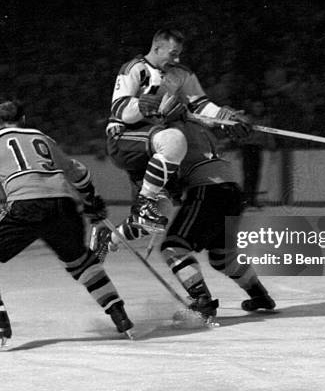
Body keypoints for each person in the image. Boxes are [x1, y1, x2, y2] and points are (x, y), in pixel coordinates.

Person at [0, 99, 134, 349]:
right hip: (63, 204)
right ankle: (120, 317)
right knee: (81, 262)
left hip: (25, 205)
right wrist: (91, 200)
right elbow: (79, 172)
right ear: (23, 119)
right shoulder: (42, 138)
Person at [94, 119, 275, 320]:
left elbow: (172, 166)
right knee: (223, 256)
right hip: (232, 191)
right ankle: (259, 295)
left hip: (208, 190)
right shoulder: (199, 125)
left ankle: (202, 302)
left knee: (174, 247)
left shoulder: (171, 131)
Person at [106, 28, 250, 231]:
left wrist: (224, 118)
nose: (177, 58)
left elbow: (200, 105)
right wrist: (144, 105)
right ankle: (143, 204)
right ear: (157, 48)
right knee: (175, 139)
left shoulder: (181, 74)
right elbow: (120, 110)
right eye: (173, 53)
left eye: (179, 54)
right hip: (125, 139)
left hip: (156, 147)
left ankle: (109, 237)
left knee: (158, 217)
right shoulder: (134, 69)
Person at [239, 99, 276, 208]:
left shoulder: (265, 120)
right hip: (248, 148)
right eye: (257, 106)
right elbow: (241, 134)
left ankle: (252, 199)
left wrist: (271, 144)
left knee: (256, 174)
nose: (259, 109)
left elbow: (268, 134)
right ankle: (246, 200)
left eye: (261, 106)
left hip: (258, 148)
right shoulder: (247, 119)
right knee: (248, 174)